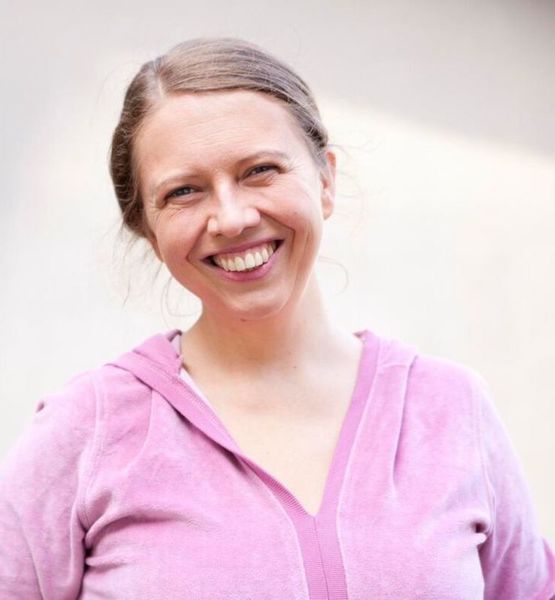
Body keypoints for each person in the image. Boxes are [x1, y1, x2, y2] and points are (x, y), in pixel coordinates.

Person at [0, 38, 554, 600]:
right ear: (147, 227)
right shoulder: (86, 430)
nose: (232, 218)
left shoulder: (452, 409)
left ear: (326, 181)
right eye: (184, 191)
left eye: (260, 170)